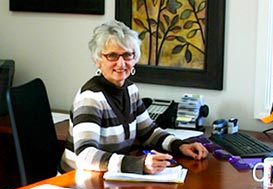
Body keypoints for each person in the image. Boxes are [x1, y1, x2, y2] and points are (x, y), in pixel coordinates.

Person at [59, 20, 208, 175]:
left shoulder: (130, 90)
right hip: (77, 183)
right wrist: (138, 164)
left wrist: (180, 146)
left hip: (108, 178)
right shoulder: (91, 98)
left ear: (135, 58)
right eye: (112, 56)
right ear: (98, 60)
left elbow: (149, 132)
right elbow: (85, 156)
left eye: (127, 55)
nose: (121, 63)